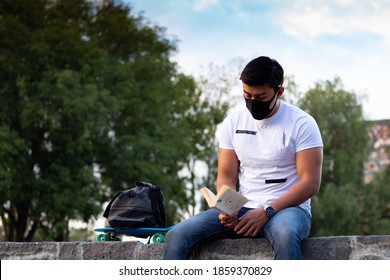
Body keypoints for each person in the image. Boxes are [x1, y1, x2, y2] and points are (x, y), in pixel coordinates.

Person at [163, 56, 323, 260]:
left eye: (261, 96)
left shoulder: (302, 123)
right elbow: (226, 175)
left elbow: (310, 183)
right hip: (243, 208)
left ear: (279, 92)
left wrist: (267, 211)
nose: (253, 102)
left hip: (287, 209)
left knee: (286, 234)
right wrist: (227, 207)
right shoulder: (233, 122)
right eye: (247, 95)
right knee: (177, 234)